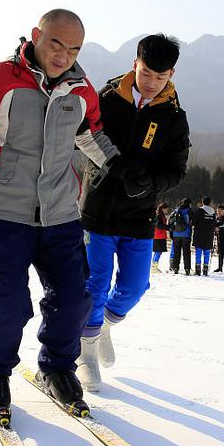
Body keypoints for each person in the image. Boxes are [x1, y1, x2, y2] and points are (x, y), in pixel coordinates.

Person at [0, 9, 121, 419]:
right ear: (36, 36)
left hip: (61, 212)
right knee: (8, 302)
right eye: (56, 44)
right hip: (4, 210)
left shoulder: (81, 92)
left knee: (75, 298)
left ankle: (58, 369)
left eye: (74, 48)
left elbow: (92, 135)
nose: (63, 56)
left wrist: (122, 169)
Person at [76, 34, 190, 391]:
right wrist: (113, 168)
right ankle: (86, 354)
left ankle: (103, 328)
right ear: (134, 64)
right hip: (98, 210)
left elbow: (178, 168)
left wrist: (151, 185)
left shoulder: (174, 116)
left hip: (140, 215)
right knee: (94, 285)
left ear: (171, 74)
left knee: (135, 286)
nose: (152, 83)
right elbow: (85, 136)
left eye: (161, 77)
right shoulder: (107, 99)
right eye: (146, 73)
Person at [191, 195, 217, 275]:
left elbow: (194, 222)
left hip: (199, 234)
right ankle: (205, 269)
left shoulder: (199, 210)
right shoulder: (213, 212)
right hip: (209, 235)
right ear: (209, 203)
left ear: (203, 202)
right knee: (207, 252)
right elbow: (214, 223)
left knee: (198, 252)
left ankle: (198, 270)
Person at [169, 198, 193, 275]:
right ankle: (187, 268)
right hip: (186, 235)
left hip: (176, 235)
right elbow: (193, 222)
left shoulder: (176, 211)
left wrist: (171, 233)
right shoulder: (190, 211)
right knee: (186, 252)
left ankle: (175, 268)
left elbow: (170, 221)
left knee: (177, 252)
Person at [151, 203, 171, 274]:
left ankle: (154, 266)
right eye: (166, 209)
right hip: (158, 236)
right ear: (163, 209)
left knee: (158, 251)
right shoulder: (159, 216)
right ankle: (154, 267)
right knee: (158, 251)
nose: (167, 210)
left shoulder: (160, 215)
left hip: (159, 235)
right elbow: (159, 226)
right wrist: (168, 227)